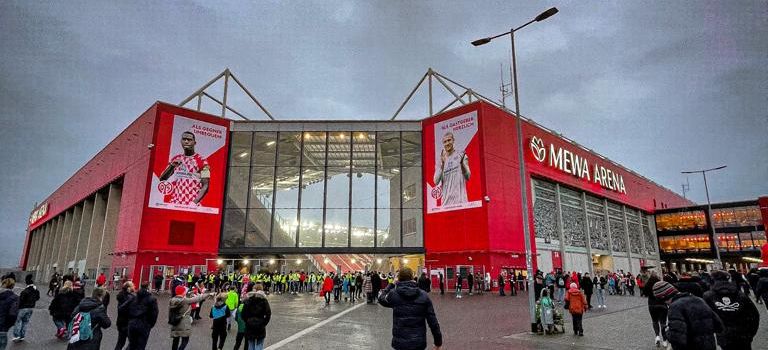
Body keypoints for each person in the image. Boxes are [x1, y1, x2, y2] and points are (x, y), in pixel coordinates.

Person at [378, 267, 443, 350]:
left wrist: (392, 284)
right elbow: (433, 322)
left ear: (399, 278)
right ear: (412, 277)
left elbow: (381, 298)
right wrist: (438, 342)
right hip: (418, 342)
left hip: (400, 343)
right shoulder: (423, 295)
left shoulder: (394, 294)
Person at [653, 280, 723, 350]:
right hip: (709, 346)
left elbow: (678, 339)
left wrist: (667, 332)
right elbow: (719, 326)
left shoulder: (675, 307)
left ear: (663, 297)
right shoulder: (699, 300)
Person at [703, 270, 759, 350]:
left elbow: (705, 318)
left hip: (724, 335)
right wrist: (750, 334)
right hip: (743, 334)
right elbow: (754, 315)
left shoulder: (708, 296)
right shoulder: (740, 295)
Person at [159, 130, 211, 205]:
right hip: (175, 203)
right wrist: (171, 166)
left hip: (191, 204)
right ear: (181, 141)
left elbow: (206, 185)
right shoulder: (176, 158)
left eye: (189, 140)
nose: (186, 142)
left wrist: (194, 202)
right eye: (184, 139)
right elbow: (162, 179)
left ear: (194, 143)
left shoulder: (203, 161)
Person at [433, 131, 470, 207]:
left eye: (449, 140)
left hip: (461, 202)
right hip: (446, 204)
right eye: (445, 142)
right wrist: (443, 164)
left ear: (453, 140)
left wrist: (461, 164)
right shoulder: (440, 160)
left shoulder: (461, 155)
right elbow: (435, 181)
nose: (447, 143)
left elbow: (468, 176)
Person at [169, 285, 211, 350]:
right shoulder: (185, 301)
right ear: (182, 292)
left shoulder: (172, 300)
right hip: (184, 324)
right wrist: (208, 294)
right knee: (185, 341)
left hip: (175, 322)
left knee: (175, 340)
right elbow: (198, 298)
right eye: (184, 291)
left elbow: (170, 313)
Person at [127, 282, 158, 350]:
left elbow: (127, 309)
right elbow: (154, 314)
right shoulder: (152, 299)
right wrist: (150, 325)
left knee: (131, 345)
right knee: (141, 346)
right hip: (144, 325)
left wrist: (130, 320)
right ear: (148, 288)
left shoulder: (134, 297)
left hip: (132, 324)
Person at [241, 284, 271, 350]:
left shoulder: (249, 299)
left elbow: (243, 313)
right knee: (259, 344)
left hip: (250, 324)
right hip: (260, 324)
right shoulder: (264, 300)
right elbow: (268, 313)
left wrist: (247, 321)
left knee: (251, 344)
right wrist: (264, 323)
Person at [643, 271, 668, 348]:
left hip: (652, 305)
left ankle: (657, 336)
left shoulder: (648, 284)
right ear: (657, 276)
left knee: (655, 321)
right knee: (663, 322)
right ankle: (664, 340)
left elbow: (645, 293)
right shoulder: (661, 283)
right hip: (662, 304)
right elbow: (666, 293)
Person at [12, 274, 38, 343]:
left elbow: (21, 300)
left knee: (18, 321)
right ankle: (22, 336)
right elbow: (37, 298)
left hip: (23, 308)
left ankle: (16, 335)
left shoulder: (25, 291)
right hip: (31, 308)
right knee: (25, 322)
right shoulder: (35, 291)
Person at [114, 281, 135, 350]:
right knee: (133, 342)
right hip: (128, 323)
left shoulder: (121, 295)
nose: (134, 286)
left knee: (120, 342)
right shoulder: (131, 298)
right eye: (132, 285)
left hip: (120, 322)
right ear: (129, 288)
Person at [0, 274, 19, 349]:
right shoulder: (14, 298)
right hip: (2, 330)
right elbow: (13, 315)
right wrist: (6, 326)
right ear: (12, 286)